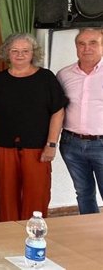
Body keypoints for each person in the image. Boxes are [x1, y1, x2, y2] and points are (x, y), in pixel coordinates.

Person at [0, 33, 65, 221]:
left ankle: (34, 238)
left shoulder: (46, 78)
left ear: (33, 53)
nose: (20, 55)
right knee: (6, 195)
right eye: (15, 51)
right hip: (4, 146)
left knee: (37, 195)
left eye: (25, 51)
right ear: (7, 53)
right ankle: (8, 236)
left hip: (37, 147)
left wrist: (52, 144)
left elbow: (58, 111)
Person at [57, 28, 103, 214]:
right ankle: (91, 235)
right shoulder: (64, 75)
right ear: (76, 47)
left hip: (101, 144)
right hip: (71, 144)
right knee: (83, 193)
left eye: (93, 43)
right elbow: (57, 109)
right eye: (81, 44)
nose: (86, 48)